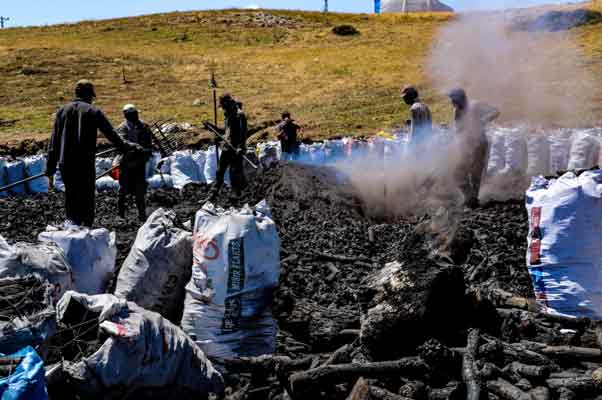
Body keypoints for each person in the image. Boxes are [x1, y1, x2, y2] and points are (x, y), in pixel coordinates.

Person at [46, 80, 137, 227]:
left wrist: (50, 166)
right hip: (84, 164)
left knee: (71, 196)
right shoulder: (93, 111)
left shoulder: (62, 111)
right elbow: (111, 135)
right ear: (89, 95)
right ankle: (85, 229)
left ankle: (72, 228)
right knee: (86, 198)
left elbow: (53, 142)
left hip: (66, 164)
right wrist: (128, 147)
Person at [448, 88, 500, 208]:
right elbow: (458, 128)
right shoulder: (457, 110)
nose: (451, 101)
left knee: (476, 172)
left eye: (453, 99)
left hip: (479, 143)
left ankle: (473, 199)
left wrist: (483, 120)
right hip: (465, 144)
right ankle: (469, 196)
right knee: (457, 172)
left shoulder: (475, 105)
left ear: (461, 98)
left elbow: (495, 111)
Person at [207, 94, 248, 202]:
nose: (222, 109)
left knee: (234, 172)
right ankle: (213, 194)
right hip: (227, 147)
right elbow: (225, 132)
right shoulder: (228, 115)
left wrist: (240, 147)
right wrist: (212, 127)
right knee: (220, 171)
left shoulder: (240, 115)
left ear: (228, 103)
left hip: (236, 149)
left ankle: (236, 195)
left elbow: (243, 133)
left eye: (223, 106)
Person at [116, 104, 153, 221]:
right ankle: (120, 215)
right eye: (132, 115)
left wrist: (142, 155)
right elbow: (121, 143)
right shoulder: (122, 128)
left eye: (136, 114)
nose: (135, 117)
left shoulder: (144, 127)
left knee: (140, 191)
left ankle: (142, 215)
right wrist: (134, 147)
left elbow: (147, 145)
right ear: (127, 116)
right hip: (126, 163)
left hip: (139, 162)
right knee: (123, 190)